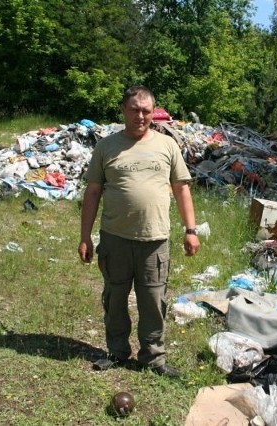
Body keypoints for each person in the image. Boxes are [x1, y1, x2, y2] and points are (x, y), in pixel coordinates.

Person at [78, 85, 200, 378]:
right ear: (123, 110)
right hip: (114, 239)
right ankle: (117, 352)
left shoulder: (167, 146)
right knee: (115, 298)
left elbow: (181, 188)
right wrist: (85, 237)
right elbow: (93, 192)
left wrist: (191, 230)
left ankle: (153, 359)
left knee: (154, 302)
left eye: (146, 111)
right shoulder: (106, 146)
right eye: (135, 109)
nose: (140, 116)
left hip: (154, 241)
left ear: (153, 113)